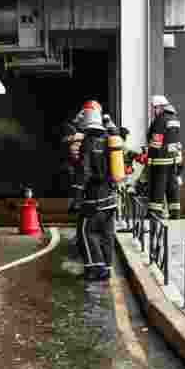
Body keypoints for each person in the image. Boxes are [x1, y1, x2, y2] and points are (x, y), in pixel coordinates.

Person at [74, 102, 118, 281]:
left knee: (85, 231)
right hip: (111, 198)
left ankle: (95, 268)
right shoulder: (109, 138)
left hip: (94, 198)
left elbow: (83, 171)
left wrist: (77, 196)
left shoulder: (88, 142)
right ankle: (107, 268)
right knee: (107, 234)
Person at [146, 95, 182, 219]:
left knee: (158, 185)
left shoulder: (161, 120)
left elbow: (156, 141)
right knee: (172, 185)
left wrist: (149, 155)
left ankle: (154, 212)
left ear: (160, 107)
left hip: (160, 159)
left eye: (154, 108)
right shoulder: (174, 119)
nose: (153, 111)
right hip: (173, 158)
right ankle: (175, 212)